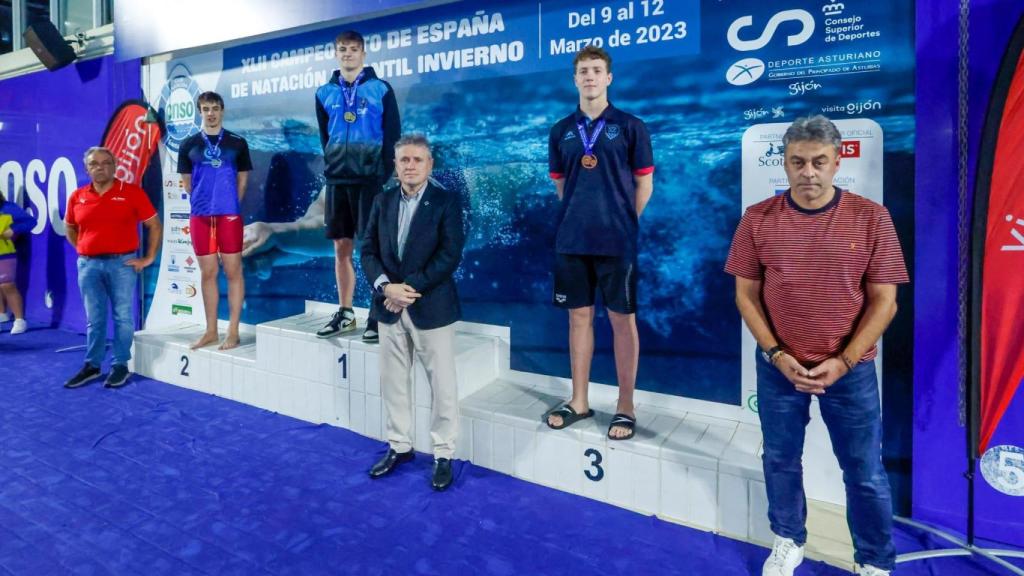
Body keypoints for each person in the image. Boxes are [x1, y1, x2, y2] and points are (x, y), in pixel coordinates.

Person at [725, 115, 908, 576]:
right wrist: (776, 354)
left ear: (837, 160)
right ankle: (788, 539)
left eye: (819, 162)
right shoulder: (757, 219)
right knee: (781, 459)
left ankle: (874, 561)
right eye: (798, 162)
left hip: (851, 371)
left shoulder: (871, 218)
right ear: (784, 163)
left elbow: (885, 303)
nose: (809, 172)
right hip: (778, 369)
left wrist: (843, 362)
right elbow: (745, 295)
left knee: (864, 472)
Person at [544, 46, 654, 440]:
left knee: (623, 322)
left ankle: (625, 406)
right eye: (583, 71)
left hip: (617, 242)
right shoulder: (561, 131)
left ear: (609, 78)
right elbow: (561, 185)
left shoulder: (630, 126)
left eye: (596, 71)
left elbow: (645, 184)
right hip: (572, 240)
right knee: (578, 318)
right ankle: (579, 401)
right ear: (574, 79)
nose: (589, 77)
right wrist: (583, 218)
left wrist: (622, 223)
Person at [361, 134, 465, 491]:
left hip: (431, 307)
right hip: (388, 307)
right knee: (393, 382)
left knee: (442, 385)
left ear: (429, 164)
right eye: (403, 159)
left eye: (417, 160)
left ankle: (443, 453)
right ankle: (399, 446)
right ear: (395, 165)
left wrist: (406, 290)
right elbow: (368, 252)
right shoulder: (382, 200)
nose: (410, 166)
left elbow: (450, 255)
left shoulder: (446, 202)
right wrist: (385, 287)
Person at [314, 29, 401, 342]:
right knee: (341, 248)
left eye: (353, 49)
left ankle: (378, 313)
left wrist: (382, 177)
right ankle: (346, 312)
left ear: (363, 53)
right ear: (336, 54)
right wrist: (335, 167)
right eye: (342, 49)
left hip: (370, 181)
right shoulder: (324, 93)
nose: (347, 54)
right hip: (338, 180)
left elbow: (393, 136)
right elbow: (326, 138)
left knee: (372, 248)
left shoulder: (381, 89)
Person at [64, 146, 162, 389]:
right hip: (88, 266)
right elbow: (70, 228)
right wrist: (85, 250)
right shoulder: (77, 196)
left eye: (106, 163)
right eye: (94, 164)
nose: (100, 167)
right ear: (87, 168)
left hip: (122, 264)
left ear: (114, 166)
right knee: (94, 319)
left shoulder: (131, 193)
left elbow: (154, 225)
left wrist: (148, 258)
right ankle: (92, 366)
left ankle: (120, 365)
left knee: (122, 317)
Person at [177, 91, 252, 350]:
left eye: (215, 108)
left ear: (222, 111)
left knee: (233, 272)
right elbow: (187, 184)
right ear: (200, 111)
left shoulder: (237, 143)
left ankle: (233, 331)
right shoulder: (188, 145)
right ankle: (210, 330)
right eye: (206, 108)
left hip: (229, 216)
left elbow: (242, 180)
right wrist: (206, 200)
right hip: (200, 216)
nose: (211, 113)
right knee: (208, 272)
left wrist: (228, 202)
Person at [0, 190, 34, 334]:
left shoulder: (8, 208)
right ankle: (2, 314)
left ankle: (20, 320)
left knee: (7, 285)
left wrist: (13, 230)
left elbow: (31, 221)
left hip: (5, 253)